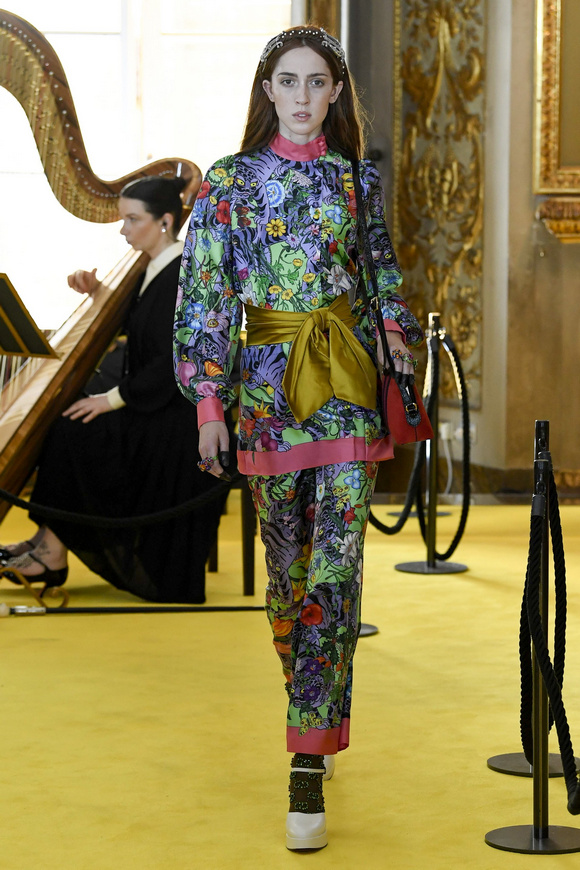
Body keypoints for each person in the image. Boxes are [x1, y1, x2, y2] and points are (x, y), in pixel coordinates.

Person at [173, 26, 423, 849]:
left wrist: (397, 342)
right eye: (290, 81)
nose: (304, 97)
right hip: (267, 397)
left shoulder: (357, 178)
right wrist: (209, 406)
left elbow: (381, 275)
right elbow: (206, 296)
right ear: (268, 90)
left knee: (335, 572)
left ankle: (307, 757)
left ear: (336, 92)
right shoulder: (228, 183)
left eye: (319, 82)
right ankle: (308, 698)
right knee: (287, 582)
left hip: (347, 389)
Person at [1, 176, 230, 603]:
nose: (123, 230)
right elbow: (146, 325)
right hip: (152, 405)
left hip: (173, 420)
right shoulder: (154, 268)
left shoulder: (183, 273)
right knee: (69, 421)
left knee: (72, 429)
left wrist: (110, 400)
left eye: (132, 219)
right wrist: (98, 293)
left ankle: (51, 550)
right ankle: (47, 542)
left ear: (165, 221)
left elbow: (171, 363)